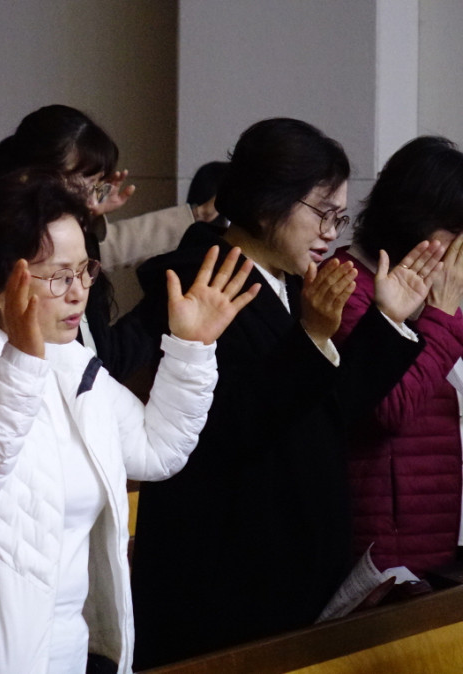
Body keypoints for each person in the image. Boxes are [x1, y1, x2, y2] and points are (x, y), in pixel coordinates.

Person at [0, 169, 258, 673]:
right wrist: (20, 361)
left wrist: (191, 349)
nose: (79, 292)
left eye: (84, 270)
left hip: (67, 653)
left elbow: (157, 451)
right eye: (59, 276)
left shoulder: (74, 364)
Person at [130, 118, 441, 667]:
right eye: (321, 212)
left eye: (339, 217)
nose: (330, 232)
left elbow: (328, 414)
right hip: (225, 581)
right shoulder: (199, 285)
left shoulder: (289, 284)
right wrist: (312, 336)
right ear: (266, 200)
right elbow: (231, 431)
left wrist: (388, 319)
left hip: (289, 572)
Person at [0, 105, 197, 383]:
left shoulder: (75, 226)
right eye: (85, 182)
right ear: (32, 175)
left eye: (98, 183)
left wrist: (86, 219)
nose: (92, 195)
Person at [331, 136, 463, 576]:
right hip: (385, 544)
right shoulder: (346, 285)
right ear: (415, 220)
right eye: (455, 231)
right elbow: (390, 407)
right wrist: (443, 316)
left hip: (438, 530)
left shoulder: (439, 289)